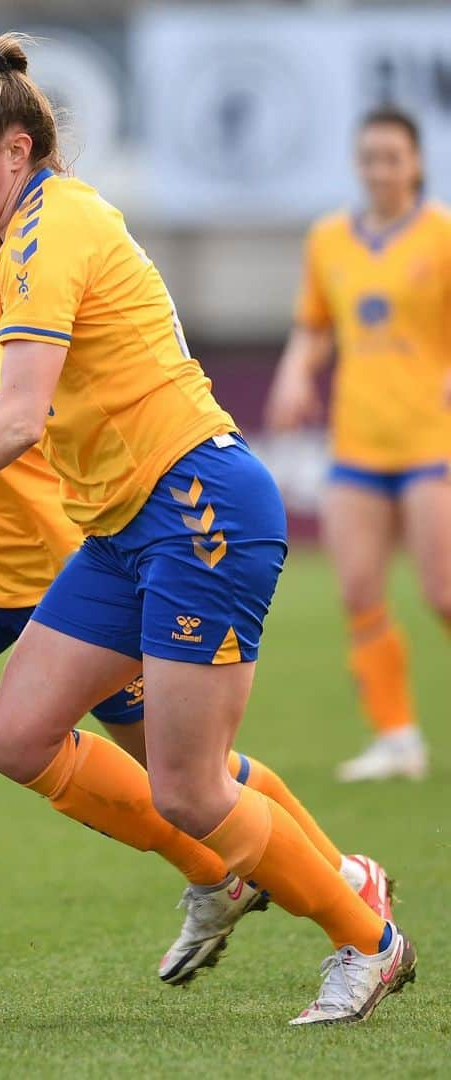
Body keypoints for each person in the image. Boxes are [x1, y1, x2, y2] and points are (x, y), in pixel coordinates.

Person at [0, 35, 416, 1024]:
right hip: (121, 528)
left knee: (190, 789)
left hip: (200, 505)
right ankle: (331, 885)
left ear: (17, 151)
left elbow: (19, 416)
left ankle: (366, 936)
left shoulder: (59, 228)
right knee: (18, 737)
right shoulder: (3, 249)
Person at [267, 105, 451, 783]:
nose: (379, 170)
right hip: (357, 443)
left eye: (392, 158)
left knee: (443, 591)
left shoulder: (441, 235)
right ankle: (398, 738)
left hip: (431, 441)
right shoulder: (330, 239)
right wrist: (294, 373)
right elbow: (315, 324)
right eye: (369, 157)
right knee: (359, 591)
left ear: (416, 164)